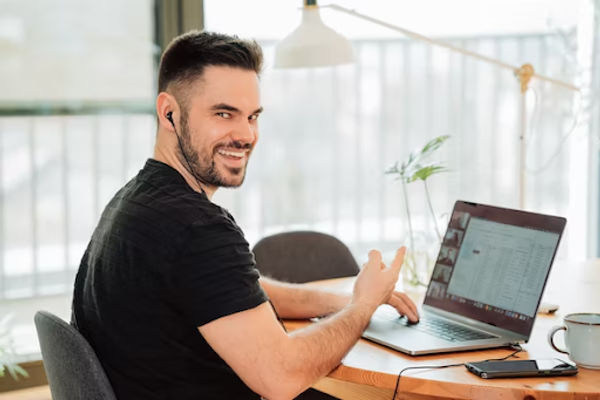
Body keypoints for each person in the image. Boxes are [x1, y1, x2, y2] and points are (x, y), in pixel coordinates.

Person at [71, 30, 419, 400]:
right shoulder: (196, 228)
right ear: (168, 112)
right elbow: (282, 378)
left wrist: (343, 301)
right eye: (224, 114)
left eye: (252, 116)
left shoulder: (136, 201)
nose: (246, 134)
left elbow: (228, 293)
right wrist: (363, 306)